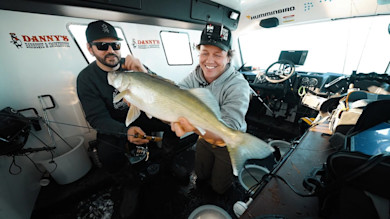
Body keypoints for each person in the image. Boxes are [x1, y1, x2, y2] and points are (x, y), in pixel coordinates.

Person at [76, 20, 172, 218]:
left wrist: (144, 72)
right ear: (90, 49)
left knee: (171, 123)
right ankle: (130, 186)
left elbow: (164, 90)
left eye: (115, 45)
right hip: (115, 123)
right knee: (107, 154)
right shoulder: (86, 79)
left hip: (141, 114)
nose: (111, 50)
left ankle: (169, 162)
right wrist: (124, 131)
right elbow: (96, 118)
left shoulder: (133, 66)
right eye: (102, 46)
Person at [171, 22, 251, 195]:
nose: (209, 60)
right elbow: (176, 94)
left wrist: (192, 126)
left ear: (229, 57)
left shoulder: (238, 85)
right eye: (205, 53)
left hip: (229, 142)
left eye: (218, 54)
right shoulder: (195, 75)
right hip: (203, 137)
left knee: (219, 187)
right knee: (201, 175)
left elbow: (231, 126)